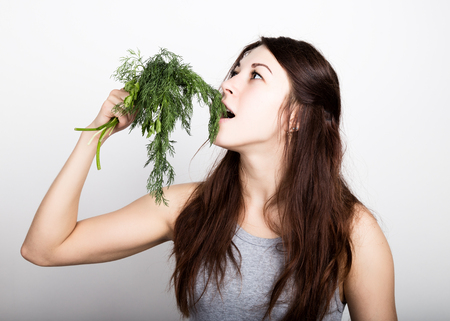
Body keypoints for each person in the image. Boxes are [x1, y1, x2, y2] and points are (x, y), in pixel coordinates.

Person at [21, 36, 397, 320]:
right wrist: (93, 137)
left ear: (296, 117)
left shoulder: (352, 231)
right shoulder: (187, 207)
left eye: (255, 76)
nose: (227, 85)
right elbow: (44, 249)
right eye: (234, 71)